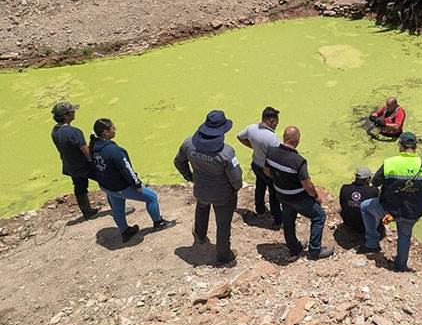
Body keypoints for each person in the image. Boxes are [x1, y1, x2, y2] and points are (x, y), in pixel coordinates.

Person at [359, 132, 422, 271]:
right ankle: (401, 266)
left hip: (389, 210)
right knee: (405, 235)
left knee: (365, 207)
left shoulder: (390, 163)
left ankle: (372, 243)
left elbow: (375, 182)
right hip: (413, 212)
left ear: (400, 145)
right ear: (416, 146)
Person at [175, 110, 244, 265]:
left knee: (202, 207)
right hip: (223, 195)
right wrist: (235, 189)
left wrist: (190, 177)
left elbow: (178, 161)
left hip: (200, 189)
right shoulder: (226, 152)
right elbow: (236, 177)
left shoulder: (188, 144)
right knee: (223, 224)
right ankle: (223, 255)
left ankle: (199, 234)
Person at [90, 118, 176, 243]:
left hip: (107, 186)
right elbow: (127, 170)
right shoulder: (115, 151)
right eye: (113, 128)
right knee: (152, 197)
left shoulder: (93, 147)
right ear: (106, 132)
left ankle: (125, 232)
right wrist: (137, 184)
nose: (115, 129)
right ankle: (159, 223)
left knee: (117, 207)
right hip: (121, 187)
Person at [264, 126, 334, 260]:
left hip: (281, 194)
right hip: (298, 197)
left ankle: (293, 247)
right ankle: (315, 251)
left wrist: (280, 180)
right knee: (319, 216)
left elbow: (266, 171)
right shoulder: (298, 161)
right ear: (296, 140)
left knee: (288, 219)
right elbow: (307, 185)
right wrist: (316, 196)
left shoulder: (271, 152)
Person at [50, 101, 99, 219]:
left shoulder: (54, 131)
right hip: (83, 165)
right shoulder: (74, 132)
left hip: (70, 165)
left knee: (80, 187)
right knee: (107, 181)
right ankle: (118, 207)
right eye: (72, 111)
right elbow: (86, 152)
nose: (74, 113)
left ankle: (86, 211)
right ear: (66, 116)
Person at [236, 107, 282, 228]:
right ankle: (277, 219)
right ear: (271, 120)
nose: (277, 125)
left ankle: (260, 210)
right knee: (274, 194)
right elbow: (279, 156)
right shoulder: (272, 138)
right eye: (276, 122)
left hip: (256, 164)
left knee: (260, 186)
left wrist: (253, 147)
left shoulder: (251, 128)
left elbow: (240, 137)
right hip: (268, 169)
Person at [339, 167, 379, 233]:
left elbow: (342, 204)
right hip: (366, 225)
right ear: (368, 179)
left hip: (349, 223)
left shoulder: (344, 188)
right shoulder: (374, 191)